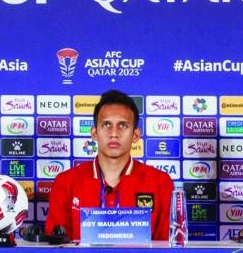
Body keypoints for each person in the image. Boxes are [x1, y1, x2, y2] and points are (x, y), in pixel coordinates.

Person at [45, 90, 172, 241]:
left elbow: (166, 246)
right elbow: (56, 245)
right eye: (106, 125)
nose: (114, 133)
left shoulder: (160, 182)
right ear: (94, 133)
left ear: (135, 135)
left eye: (122, 125)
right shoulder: (65, 182)